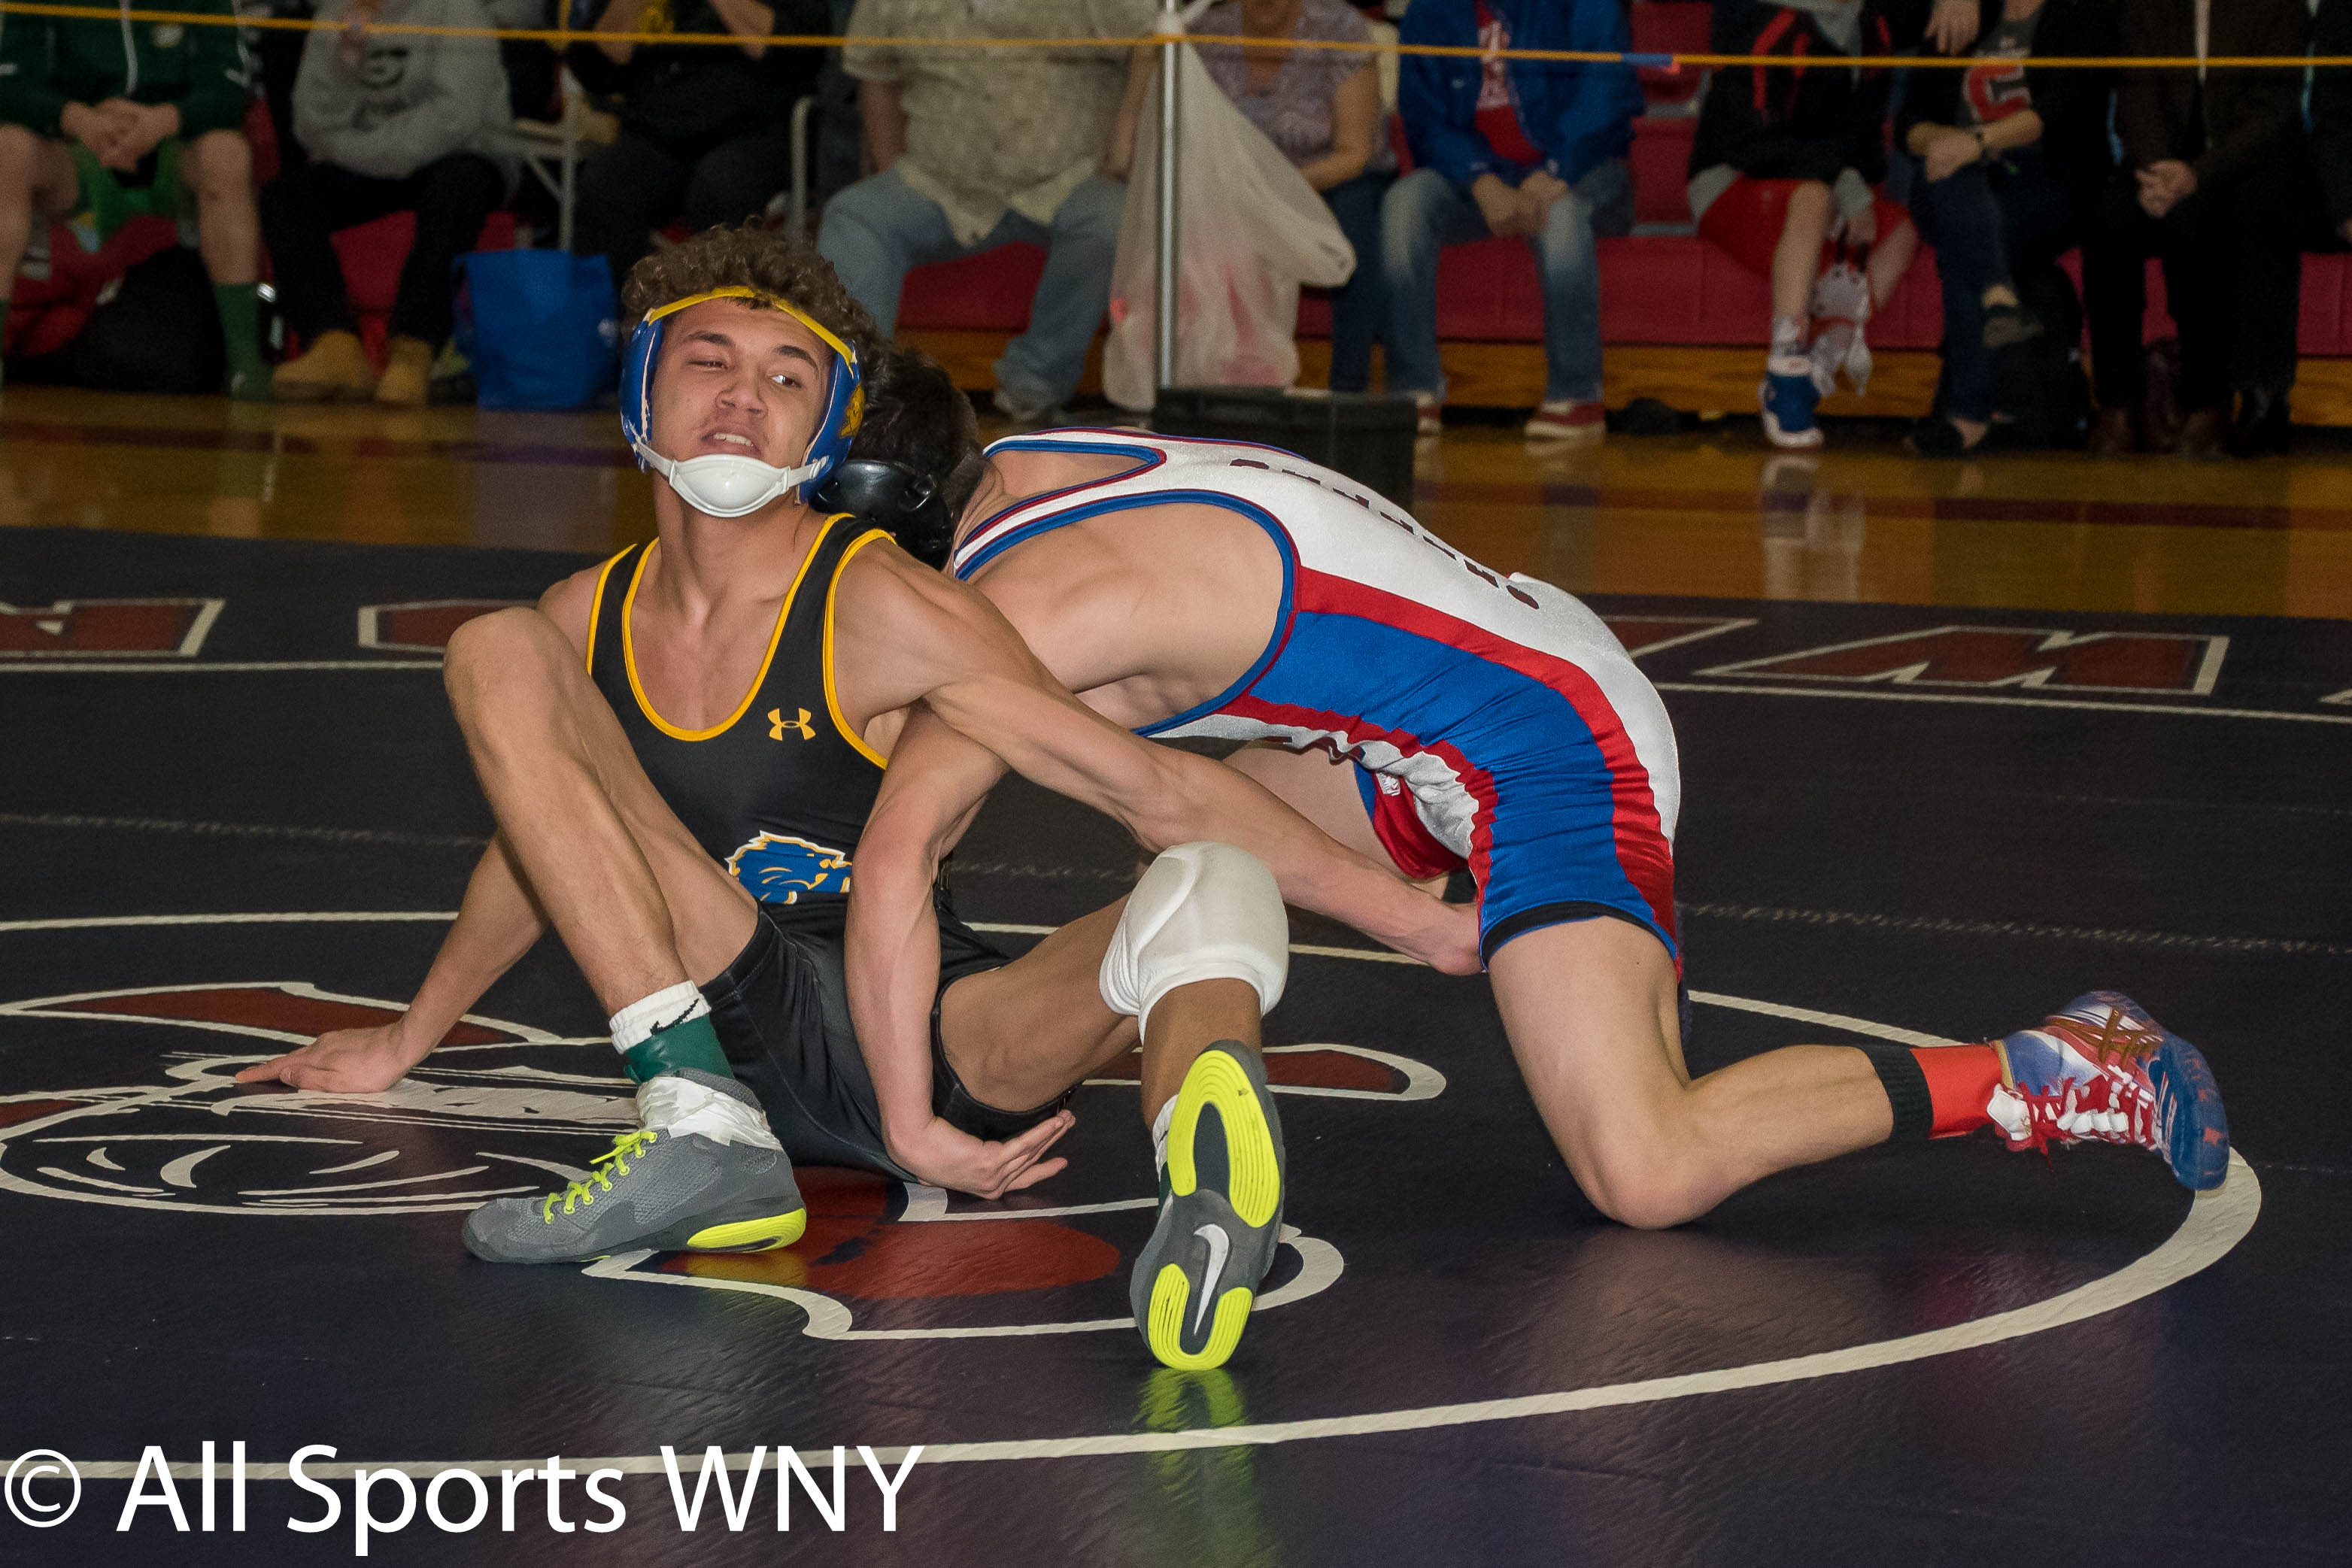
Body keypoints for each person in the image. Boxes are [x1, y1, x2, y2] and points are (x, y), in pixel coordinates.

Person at [235, 226, 1476, 1373]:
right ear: (640, 391)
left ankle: (1195, 1190)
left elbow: (1145, 784)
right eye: (709, 361)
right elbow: (536, 847)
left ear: (827, 427)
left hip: (932, 1038)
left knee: (1212, 877)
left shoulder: (884, 605)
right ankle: (698, 1117)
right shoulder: (583, 617)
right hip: (743, 1000)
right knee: (503, 647)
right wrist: (409, 1037)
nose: (742, 396)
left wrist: (1418, 922)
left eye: (785, 377)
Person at [829, 347, 2234, 1252]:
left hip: (1544, 741)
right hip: (1393, 730)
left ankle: (2057, 1063)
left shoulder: (1030, 605)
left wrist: (901, 1120)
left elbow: (902, 845)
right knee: (1171, 913)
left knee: (1646, 1167)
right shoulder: (1021, 475)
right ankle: (1200, 1096)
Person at [819, 0, 1151, 426]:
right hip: (938, 182)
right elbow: (877, 79)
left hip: (1069, 180)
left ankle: (1034, 388)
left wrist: (1124, 140)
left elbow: (1153, 44)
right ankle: (856, 398)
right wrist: (891, 169)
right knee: (854, 215)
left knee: (1113, 218)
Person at [1381, 0, 1641, 442]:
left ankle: (1578, 394)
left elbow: (1607, 90)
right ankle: (1413, 389)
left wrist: (1557, 168)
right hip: (1478, 180)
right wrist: (1480, 178)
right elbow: (1424, 120)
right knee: (1404, 203)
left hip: (1585, 168)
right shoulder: (1429, 11)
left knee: (1560, 215)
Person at [1106, 0, 1394, 394]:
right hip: (1232, 184)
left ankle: (1348, 389)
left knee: (1355, 222)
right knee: (1187, 228)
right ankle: (1203, 384)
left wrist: (1270, 192)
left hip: (1328, 178)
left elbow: (1354, 154)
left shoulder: (1340, 28)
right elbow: (1163, 146)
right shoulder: (1207, 29)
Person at [0, 0, 271, 399]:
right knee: (8, 149)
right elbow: (11, 86)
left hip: (173, 146)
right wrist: (78, 118)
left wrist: (164, 120)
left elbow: (228, 91)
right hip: (77, 149)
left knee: (226, 154)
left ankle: (245, 361)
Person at [1686, 0, 1923, 450]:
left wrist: (1853, 186)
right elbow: (1751, 141)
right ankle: (1785, 371)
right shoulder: (1769, 22)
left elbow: (1867, 139)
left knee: (1903, 229)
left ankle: (1823, 361)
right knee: (1812, 197)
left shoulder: (1874, 26)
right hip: (1731, 178)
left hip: (1824, 185)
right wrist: (1845, 184)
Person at [2083, 0, 2309, 459]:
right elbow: (2136, 98)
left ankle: (2208, 401)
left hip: (2236, 168)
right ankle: (2117, 403)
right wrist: (2158, 172)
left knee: (2198, 224)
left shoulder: (2281, 8)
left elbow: (2272, 115)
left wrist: (2197, 175)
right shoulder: (2146, 7)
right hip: (2159, 167)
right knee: (2109, 220)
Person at [260, 0, 517, 405]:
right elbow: (309, 124)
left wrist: (351, 151)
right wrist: (343, 66)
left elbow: (454, 119)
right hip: (368, 160)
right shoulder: (335, 14)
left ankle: (414, 349)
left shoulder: (461, 12)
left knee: (456, 187)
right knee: (285, 197)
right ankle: (333, 345)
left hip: (460, 153)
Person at [1895, 0, 2117, 455]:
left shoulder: (2082, 13)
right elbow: (1910, 124)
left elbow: (2060, 113)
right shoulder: (1960, 10)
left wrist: (1976, 141)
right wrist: (1950, 145)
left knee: (1964, 238)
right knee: (1958, 193)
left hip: (2044, 178)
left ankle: (1966, 413)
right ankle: (1998, 294)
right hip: (1951, 175)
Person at [564, 0, 830, 286]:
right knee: (606, 180)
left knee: (718, 186)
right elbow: (599, 63)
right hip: (662, 127)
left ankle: (717, 309)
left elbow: (793, 55)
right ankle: (617, 311)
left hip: (756, 130)